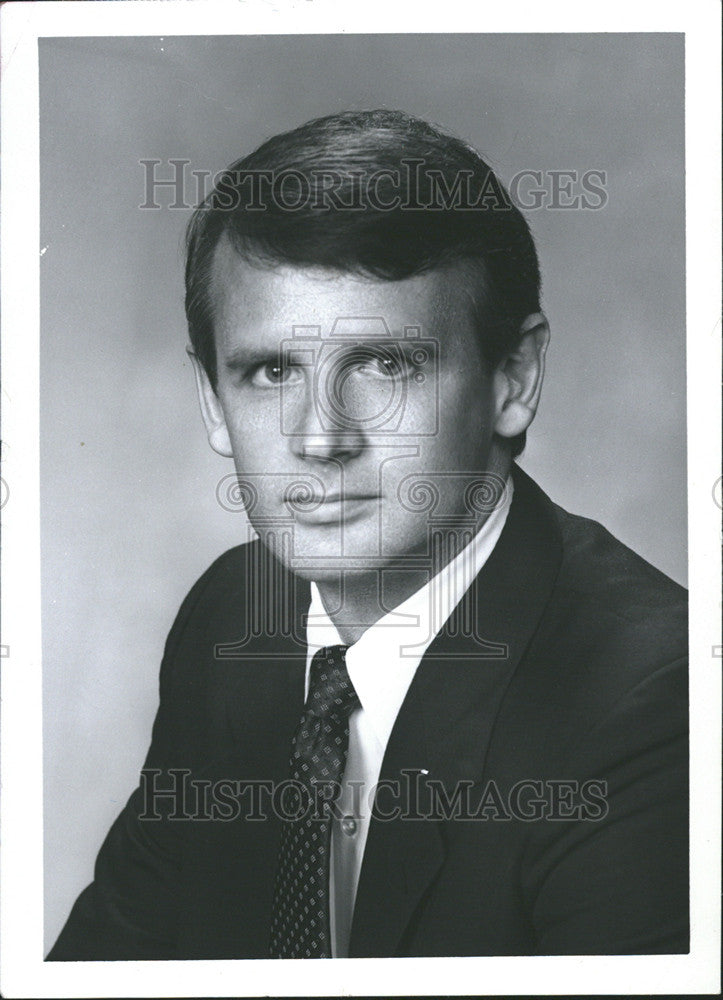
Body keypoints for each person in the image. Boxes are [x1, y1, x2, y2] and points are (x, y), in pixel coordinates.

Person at [48, 109, 688, 960]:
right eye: (271, 371)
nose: (321, 438)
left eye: (385, 365)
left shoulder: (656, 706)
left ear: (514, 378)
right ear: (212, 401)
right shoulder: (233, 615)